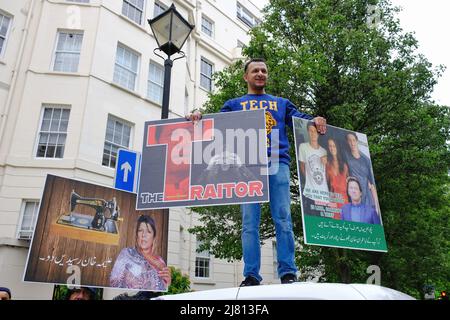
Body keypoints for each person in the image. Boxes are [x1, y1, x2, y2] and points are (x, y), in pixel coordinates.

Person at [187, 58, 327, 286]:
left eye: (264, 70)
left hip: (276, 162)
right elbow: (215, 124)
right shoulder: (234, 104)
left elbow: (302, 120)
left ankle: (288, 272)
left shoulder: (281, 103)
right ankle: (251, 275)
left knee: (283, 219)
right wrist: (197, 116)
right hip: (246, 165)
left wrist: (315, 120)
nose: (260, 73)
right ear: (246, 76)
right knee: (249, 222)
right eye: (255, 70)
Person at [110, 215, 171, 291]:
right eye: (140, 230)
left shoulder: (160, 262)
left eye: (148, 232)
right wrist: (129, 281)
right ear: (136, 235)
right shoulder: (126, 253)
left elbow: (163, 290)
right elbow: (113, 282)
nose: (143, 235)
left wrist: (168, 283)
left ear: (154, 237)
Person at [298, 122, 329, 216]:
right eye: (311, 131)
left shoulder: (324, 151)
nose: (313, 133)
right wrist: (310, 179)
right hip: (310, 193)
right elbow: (302, 166)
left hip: (324, 195)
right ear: (308, 132)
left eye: (315, 131)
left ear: (318, 133)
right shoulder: (303, 147)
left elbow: (327, 172)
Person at [345, 132, 380, 214]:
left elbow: (372, 184)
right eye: (349, 140)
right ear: (347, 142)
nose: (352, 143)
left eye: (353, 140)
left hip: (368, 199)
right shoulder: (346, 156)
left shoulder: (366, 160)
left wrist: (377, 206)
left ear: (357, 141)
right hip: (355, 198)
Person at [325, 137, 349, 218]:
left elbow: (349, 184)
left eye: (334, 146)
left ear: (337, 147)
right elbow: (326, 184)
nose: (332, 148)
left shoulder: (344, 166)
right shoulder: (327, 164)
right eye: (330, 146)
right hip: (333, 201)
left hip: (344, 201)